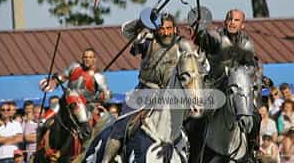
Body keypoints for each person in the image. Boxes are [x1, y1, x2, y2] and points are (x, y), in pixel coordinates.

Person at [104, 12, 195, 162]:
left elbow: (194, 66)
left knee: (195, 125)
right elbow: (126, 31)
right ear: (156, 29)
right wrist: (142, 21)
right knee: (122, 125)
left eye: (169, 28)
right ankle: (106, 159)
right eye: (162, 28)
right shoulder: (148, 42)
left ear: (174, 29)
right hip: (144, 92)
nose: (166, 32)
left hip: (172, 97)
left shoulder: (182, 46)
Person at [193, 9, 261, 158]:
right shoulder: (216, 37)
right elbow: (204, 40)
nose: (232, 23)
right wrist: (199, 31)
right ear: (225, 22)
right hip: (215, 85)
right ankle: (195, 153)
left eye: (236, 20)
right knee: (199, 117)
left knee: (255, 117)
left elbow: (251, 68)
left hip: (237, 89)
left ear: (242, 25)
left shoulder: (247, 44)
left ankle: (251, 151)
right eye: (229, 19)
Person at [39, 47, 111, 143]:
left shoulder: (98, 76)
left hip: (87, 106)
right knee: (44, 121)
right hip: (67, 102)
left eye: (90, 57)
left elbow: (107, 95)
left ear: (94, 59)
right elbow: (61, 78)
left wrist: (93, 98)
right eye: (85, 57)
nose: (87, 59)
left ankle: (88, 132)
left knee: (103, 129)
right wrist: (52, 83)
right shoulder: (74, 67)